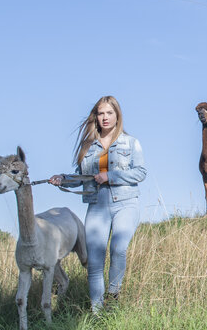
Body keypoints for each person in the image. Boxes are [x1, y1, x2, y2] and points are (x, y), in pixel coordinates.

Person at [50, 96, 146, 312]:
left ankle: (113, 297)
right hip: (96, 204)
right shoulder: (88, 146)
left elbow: (140, 173)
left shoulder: (130, 142)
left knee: (118, 248)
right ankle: (97, 311)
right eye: (101, 113)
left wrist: (110, 176)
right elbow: (81, 177)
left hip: (125, 202)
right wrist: (62, 179)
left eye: (109, 113)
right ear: (96, 116)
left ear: (117, 115)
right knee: (94, 261)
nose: (105, 117)